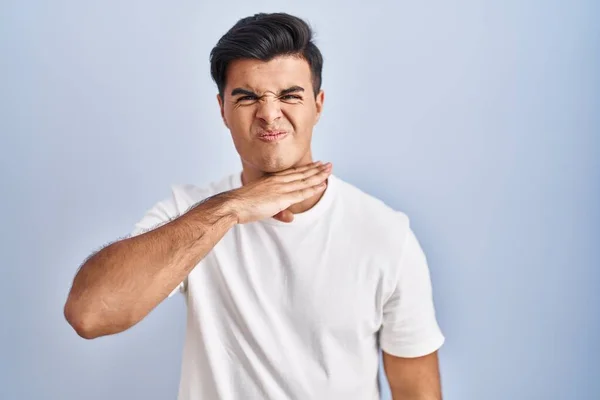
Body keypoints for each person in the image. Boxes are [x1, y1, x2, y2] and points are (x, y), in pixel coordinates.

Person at [64, 12, 445, 400]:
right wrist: (230, 209)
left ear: (318, 103)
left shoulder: (385, 233)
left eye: (289, 95)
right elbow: (90, 313)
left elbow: (417, 391)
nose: (268, 113)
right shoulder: (190, 213)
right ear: (222, 110)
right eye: (247, 97)